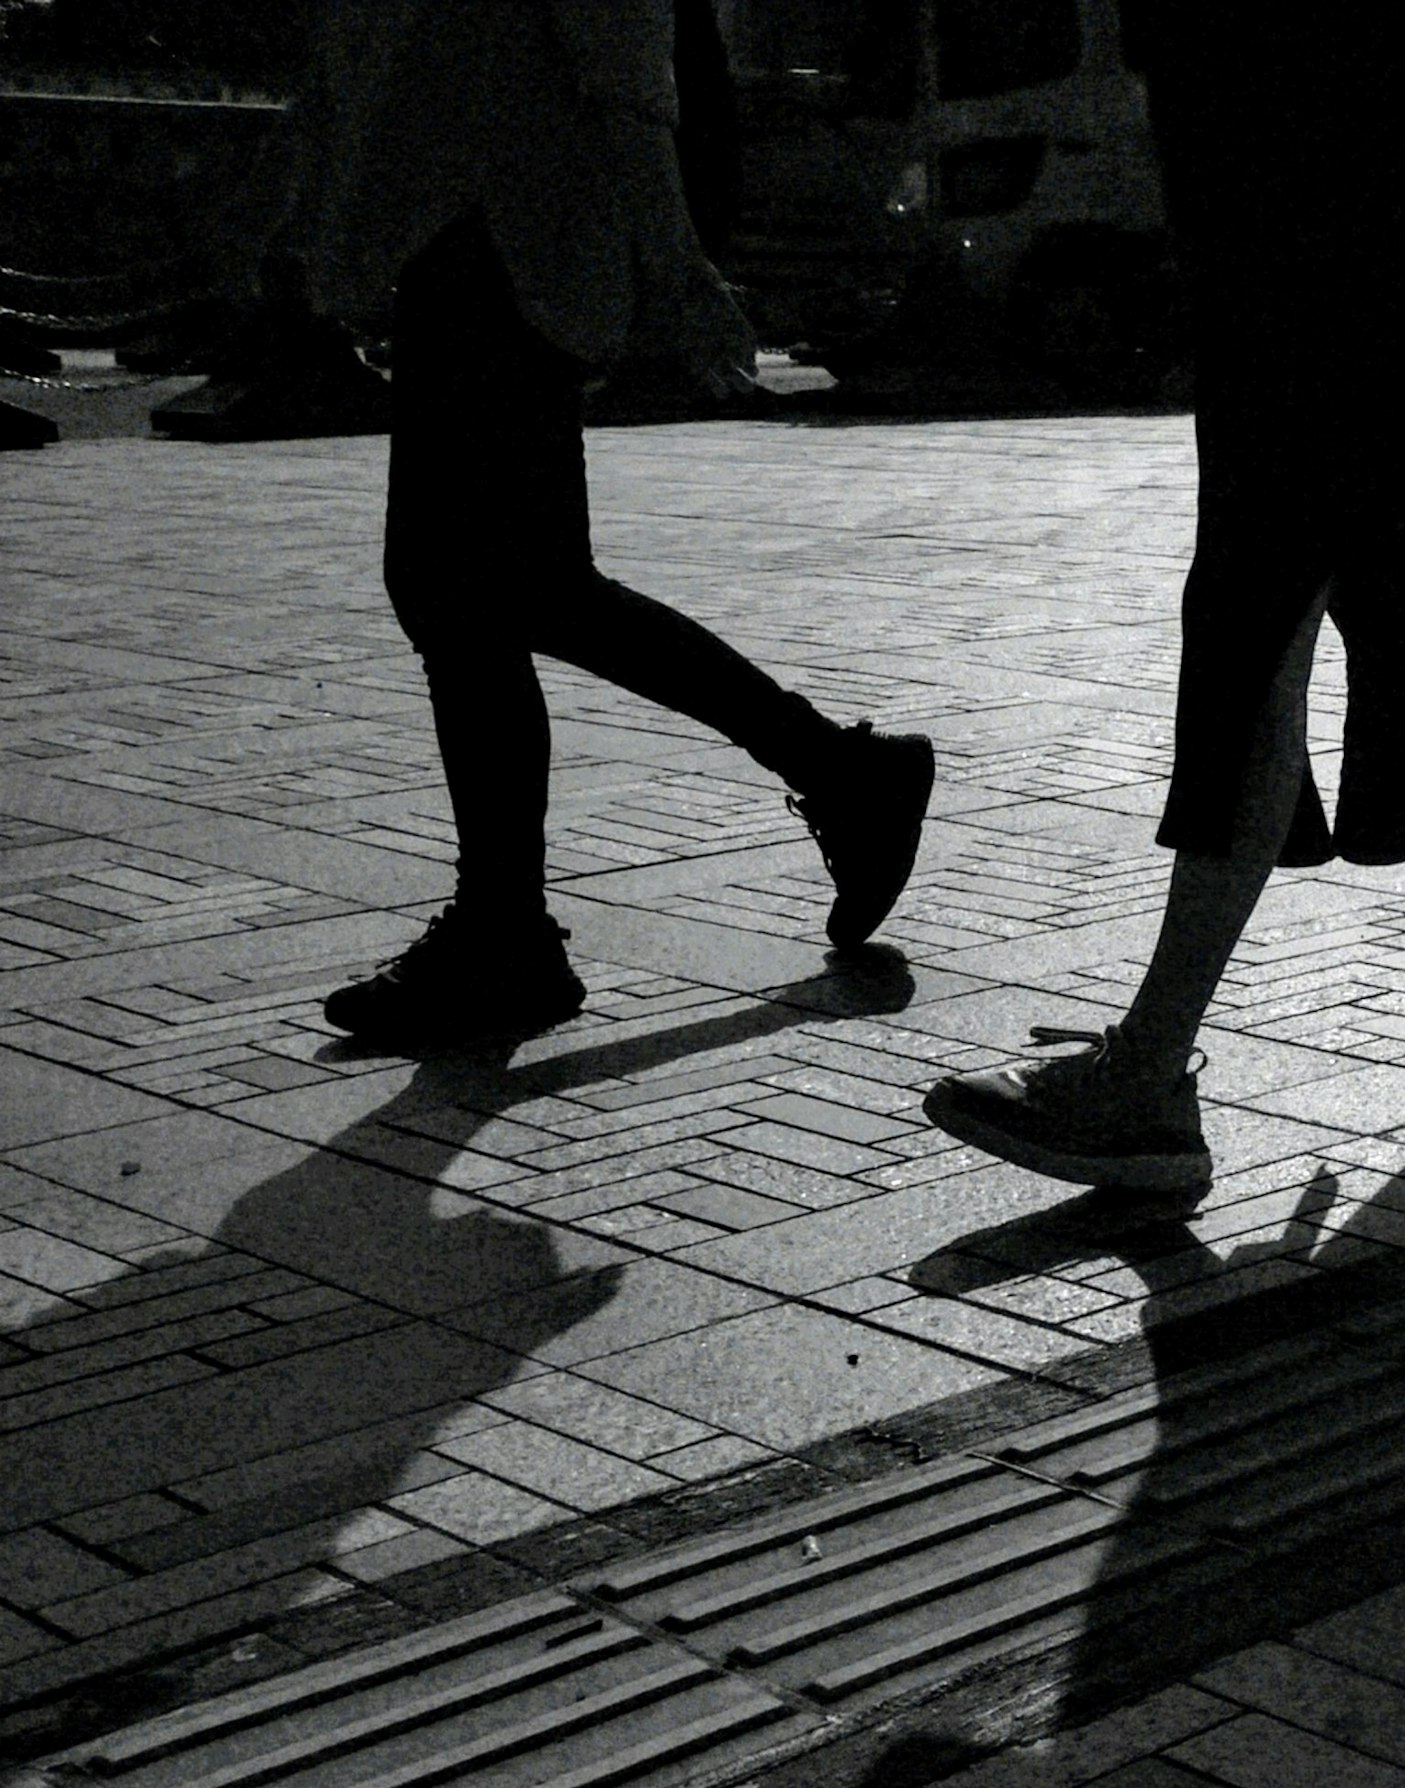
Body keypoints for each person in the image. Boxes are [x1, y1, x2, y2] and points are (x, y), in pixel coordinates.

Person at [920, 0, 1405, 1198]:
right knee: (1389, 593)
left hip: (1341, 218)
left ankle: (1149, 1069)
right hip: (1302, 213)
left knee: (1257, 613)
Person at [300, 0, 935, 1051]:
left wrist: (676, 266)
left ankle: (507, 935)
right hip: (457, 238)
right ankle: (837, 777)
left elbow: (625, 73)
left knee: (468, 590)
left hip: (509, 241)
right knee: (516, 589)